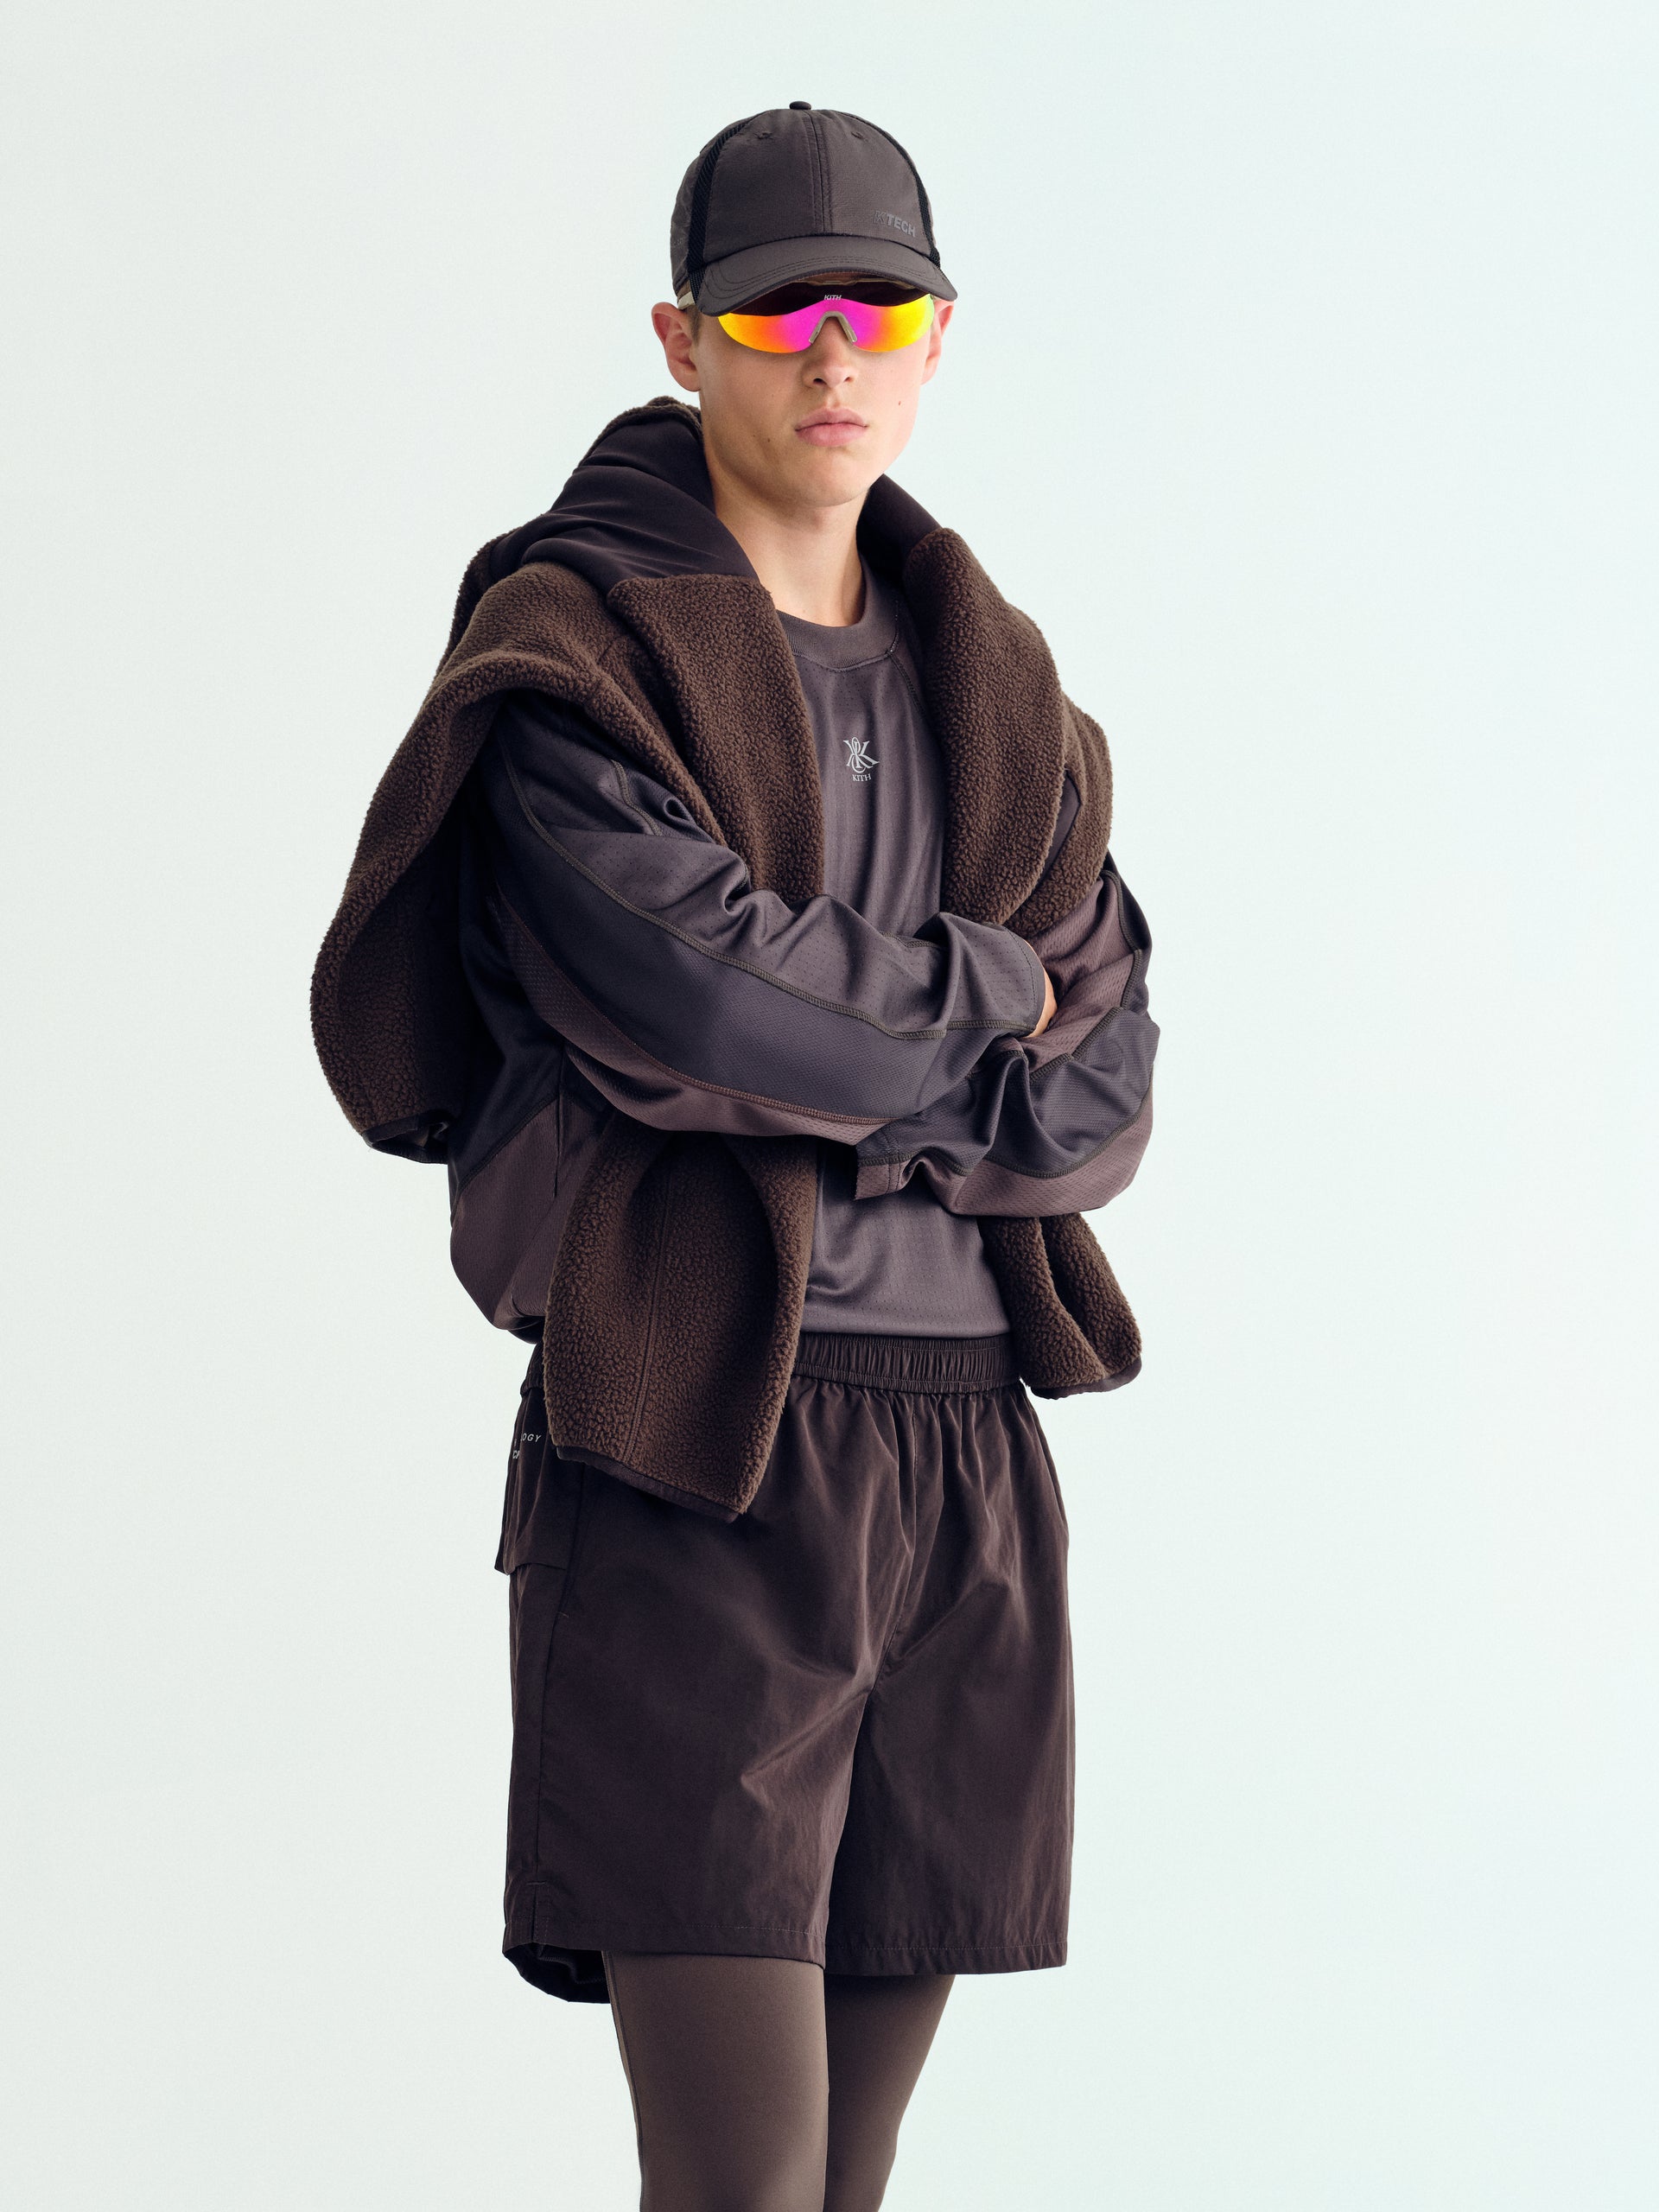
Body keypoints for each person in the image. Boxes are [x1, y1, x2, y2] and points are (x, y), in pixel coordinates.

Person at [312, 102, 1158, 2212]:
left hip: (965, 1452)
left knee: (849, 2175)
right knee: (742, 2180)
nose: (833, 353)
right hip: (702, 1435)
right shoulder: (575, 653)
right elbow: (700, 1005)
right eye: (780, 311)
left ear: (940, 337)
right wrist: (980, 1008)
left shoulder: (1006, 690)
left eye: (881, 309)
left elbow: (1106, 1087)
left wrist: (869, 1039)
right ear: (684, 338)